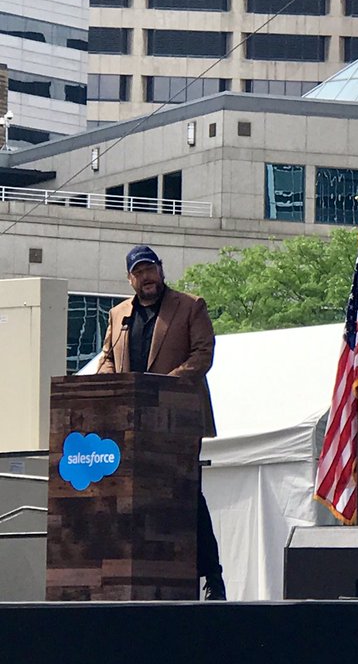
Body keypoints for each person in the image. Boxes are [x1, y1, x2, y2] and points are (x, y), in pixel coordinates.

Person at [97, 244, 227, 600]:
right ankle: (143, 576)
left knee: (186, 495)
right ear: (130, 279)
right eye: (139, 272)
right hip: (132, 424)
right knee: (135, 497)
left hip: (177, 420)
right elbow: (107, 359)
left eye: (150, 269)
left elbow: (203, 354)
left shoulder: (190, 306)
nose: (146, 277)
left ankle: (212, 576)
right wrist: (110, 387)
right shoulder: (119, 315)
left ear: (161, 269)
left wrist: (162, 387)